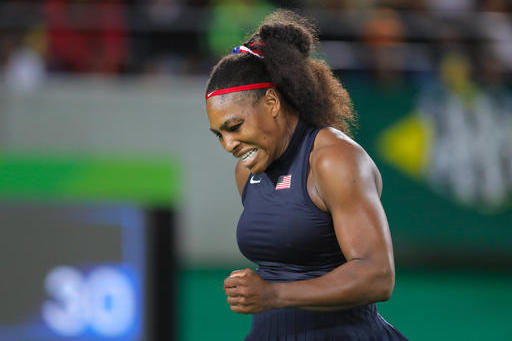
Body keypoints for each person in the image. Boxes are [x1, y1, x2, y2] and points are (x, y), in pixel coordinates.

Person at [205, 9, 407, 340]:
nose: (229, 144)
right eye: (219, 134)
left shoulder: (335, 159)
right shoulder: (246, 172)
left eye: (235, 126)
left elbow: (377, 275)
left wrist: (274, 294)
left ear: (271, 102)